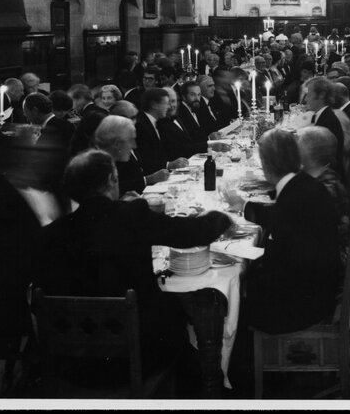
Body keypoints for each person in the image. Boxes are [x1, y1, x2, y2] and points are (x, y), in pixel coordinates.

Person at [35, 150, 232, 372]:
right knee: (180, 310)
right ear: (111, 180)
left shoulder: (49, 235)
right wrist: (223, 216)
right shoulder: (130, 216)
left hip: (71, 363)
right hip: (139, 356)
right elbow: (190, 234)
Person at [241, 130, 341, 335]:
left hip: (303, 305)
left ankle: (239, 360)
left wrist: (244, 284)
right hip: (318, 289)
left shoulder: (292, 199)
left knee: (227, 302)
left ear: (266, 165)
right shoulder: (304, 184)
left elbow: (283, 271)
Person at [297, 126, 350, 251]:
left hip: (321, 256)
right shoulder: (324, 175)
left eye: (298, 145)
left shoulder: (324, 188)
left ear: (308, 153)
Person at [93, 115, 170, 195]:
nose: (134, 146)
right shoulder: (96, 168)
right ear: (117, 144)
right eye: (131, 140)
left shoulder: (107, 160)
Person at [305, 76, 345, 178]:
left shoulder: (328, 121)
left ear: (321, 95)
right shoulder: (323, 115)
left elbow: (320, 158)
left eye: (309, 95)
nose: (306, 99)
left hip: (327, 176)